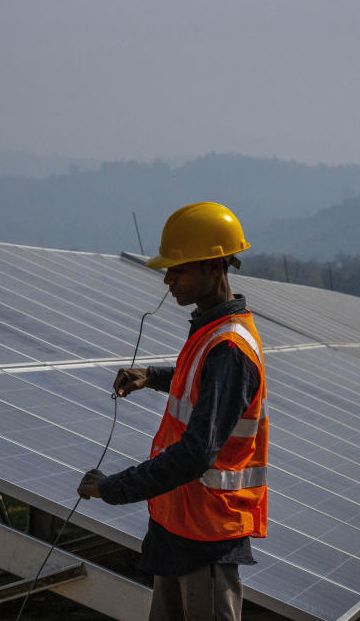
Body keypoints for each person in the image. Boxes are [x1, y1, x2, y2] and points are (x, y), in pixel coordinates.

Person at [77, 201, 268, 621]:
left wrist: (112, 489)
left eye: (177, 270)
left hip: (205, 535)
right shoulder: (210, 330)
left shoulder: (229, 348)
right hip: (179, 529)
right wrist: (153, 376)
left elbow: (195, 454)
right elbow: (201, 382)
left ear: (214, 268)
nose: (168, 281)